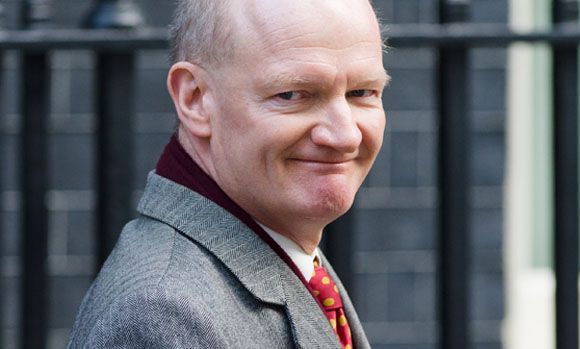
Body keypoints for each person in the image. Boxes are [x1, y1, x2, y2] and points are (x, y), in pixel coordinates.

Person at [68, 0, 388, 347]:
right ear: (195, 99)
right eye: (293, 94)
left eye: (362, 92)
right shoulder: (164, 313)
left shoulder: (281, 241)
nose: (345, 136)